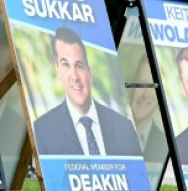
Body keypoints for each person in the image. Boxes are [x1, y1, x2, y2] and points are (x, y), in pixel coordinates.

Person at [33, 26, 141, 156]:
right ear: (58, 71)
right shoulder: (43, 130)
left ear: (89, 73)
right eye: (66, 65)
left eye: (79, 65)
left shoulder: (124, 127)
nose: (75, 77)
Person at [129, 54, 167, 163]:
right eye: (140, 84)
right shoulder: (108, 135)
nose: (145, 94)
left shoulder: (165, 146)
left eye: (152, 87)